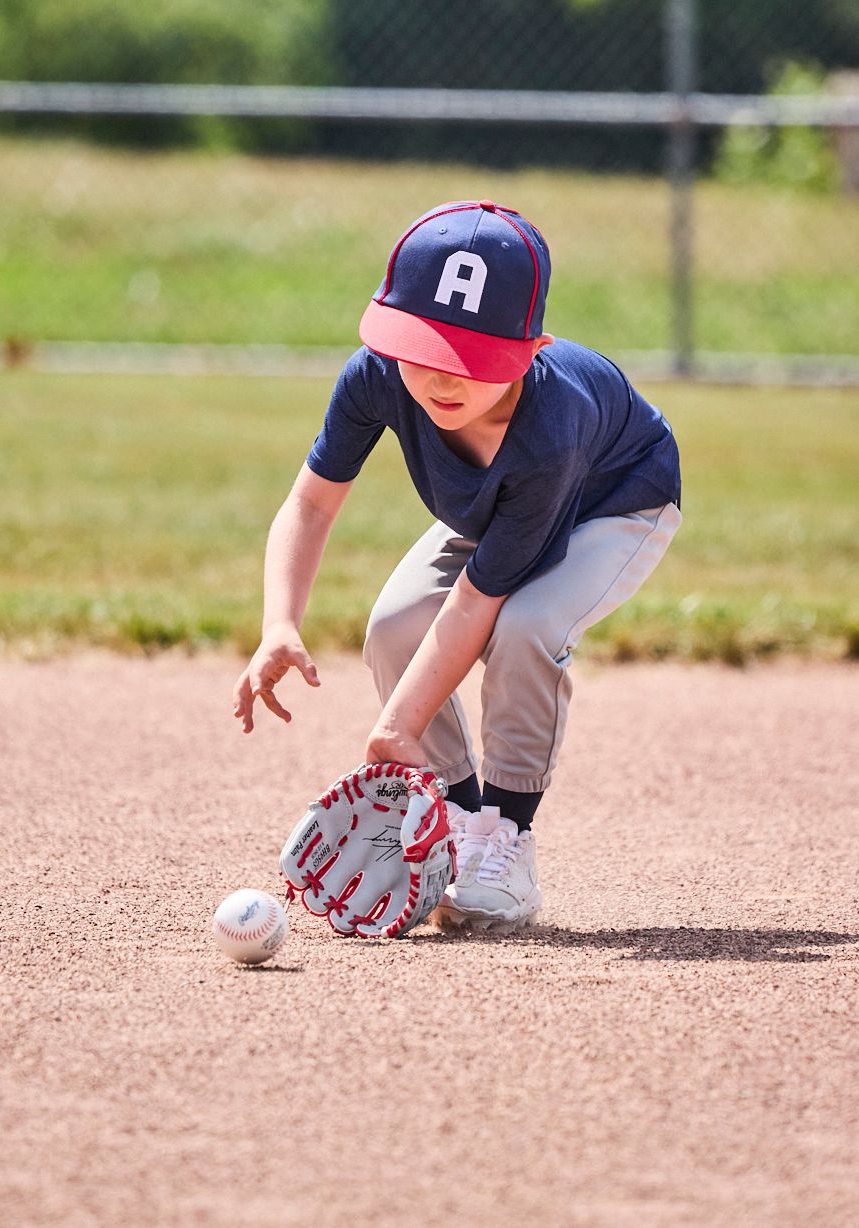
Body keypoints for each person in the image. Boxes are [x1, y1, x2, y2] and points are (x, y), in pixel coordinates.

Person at [233, 200, 681, 930]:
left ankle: (506, 835)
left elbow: (479, 603)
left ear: (531, 351)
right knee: (394, 627)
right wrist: (278, 621)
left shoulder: (549, 431)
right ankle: (460, 822)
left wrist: (393, 727)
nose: (442, 378)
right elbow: (311, 505)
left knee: (527, 626)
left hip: (618, 498)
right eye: (422, 349)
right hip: (501, 512)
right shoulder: (377, 376)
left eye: (471, 360)